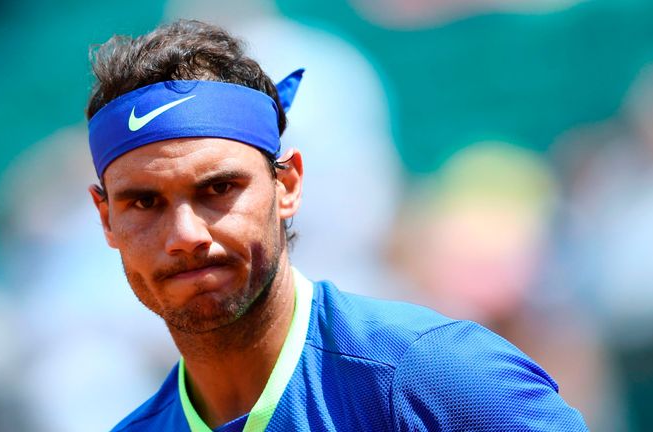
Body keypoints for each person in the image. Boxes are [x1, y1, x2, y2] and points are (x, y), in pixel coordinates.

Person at [85, 19, 588, 431]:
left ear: (288, 186)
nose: (186, 235)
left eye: (218, 189)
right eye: (144, 203)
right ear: (106, 219)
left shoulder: (441, 379)